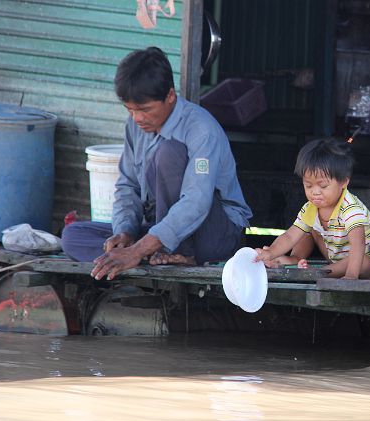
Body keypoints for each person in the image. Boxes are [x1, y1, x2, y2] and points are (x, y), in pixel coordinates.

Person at [61, 47, 252, 280]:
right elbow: (127, 186)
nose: (137, 118)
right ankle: (157, 255)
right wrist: (125, 233)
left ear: (170, 96)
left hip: (212, 234)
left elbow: (197, 203)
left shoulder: (200, 129)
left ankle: (161, 252)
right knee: (72, 237)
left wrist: (139, 249)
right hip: (160, 230)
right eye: (130, 109)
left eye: (144, 109)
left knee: (169, 153)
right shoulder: (134, 126)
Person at [255, 138, 370, 279]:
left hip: (367, 265)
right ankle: (289, 261)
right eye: (308, 186)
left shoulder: (351, 209)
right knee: (307, 230)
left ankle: (318, 272)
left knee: (363, 261)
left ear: (344, 182)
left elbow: (358, 244)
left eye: (323, 186)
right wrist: (272, 252)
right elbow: (290, 235)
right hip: (335, 259)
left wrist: (351, 277)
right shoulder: (310, 208)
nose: (315, 192)